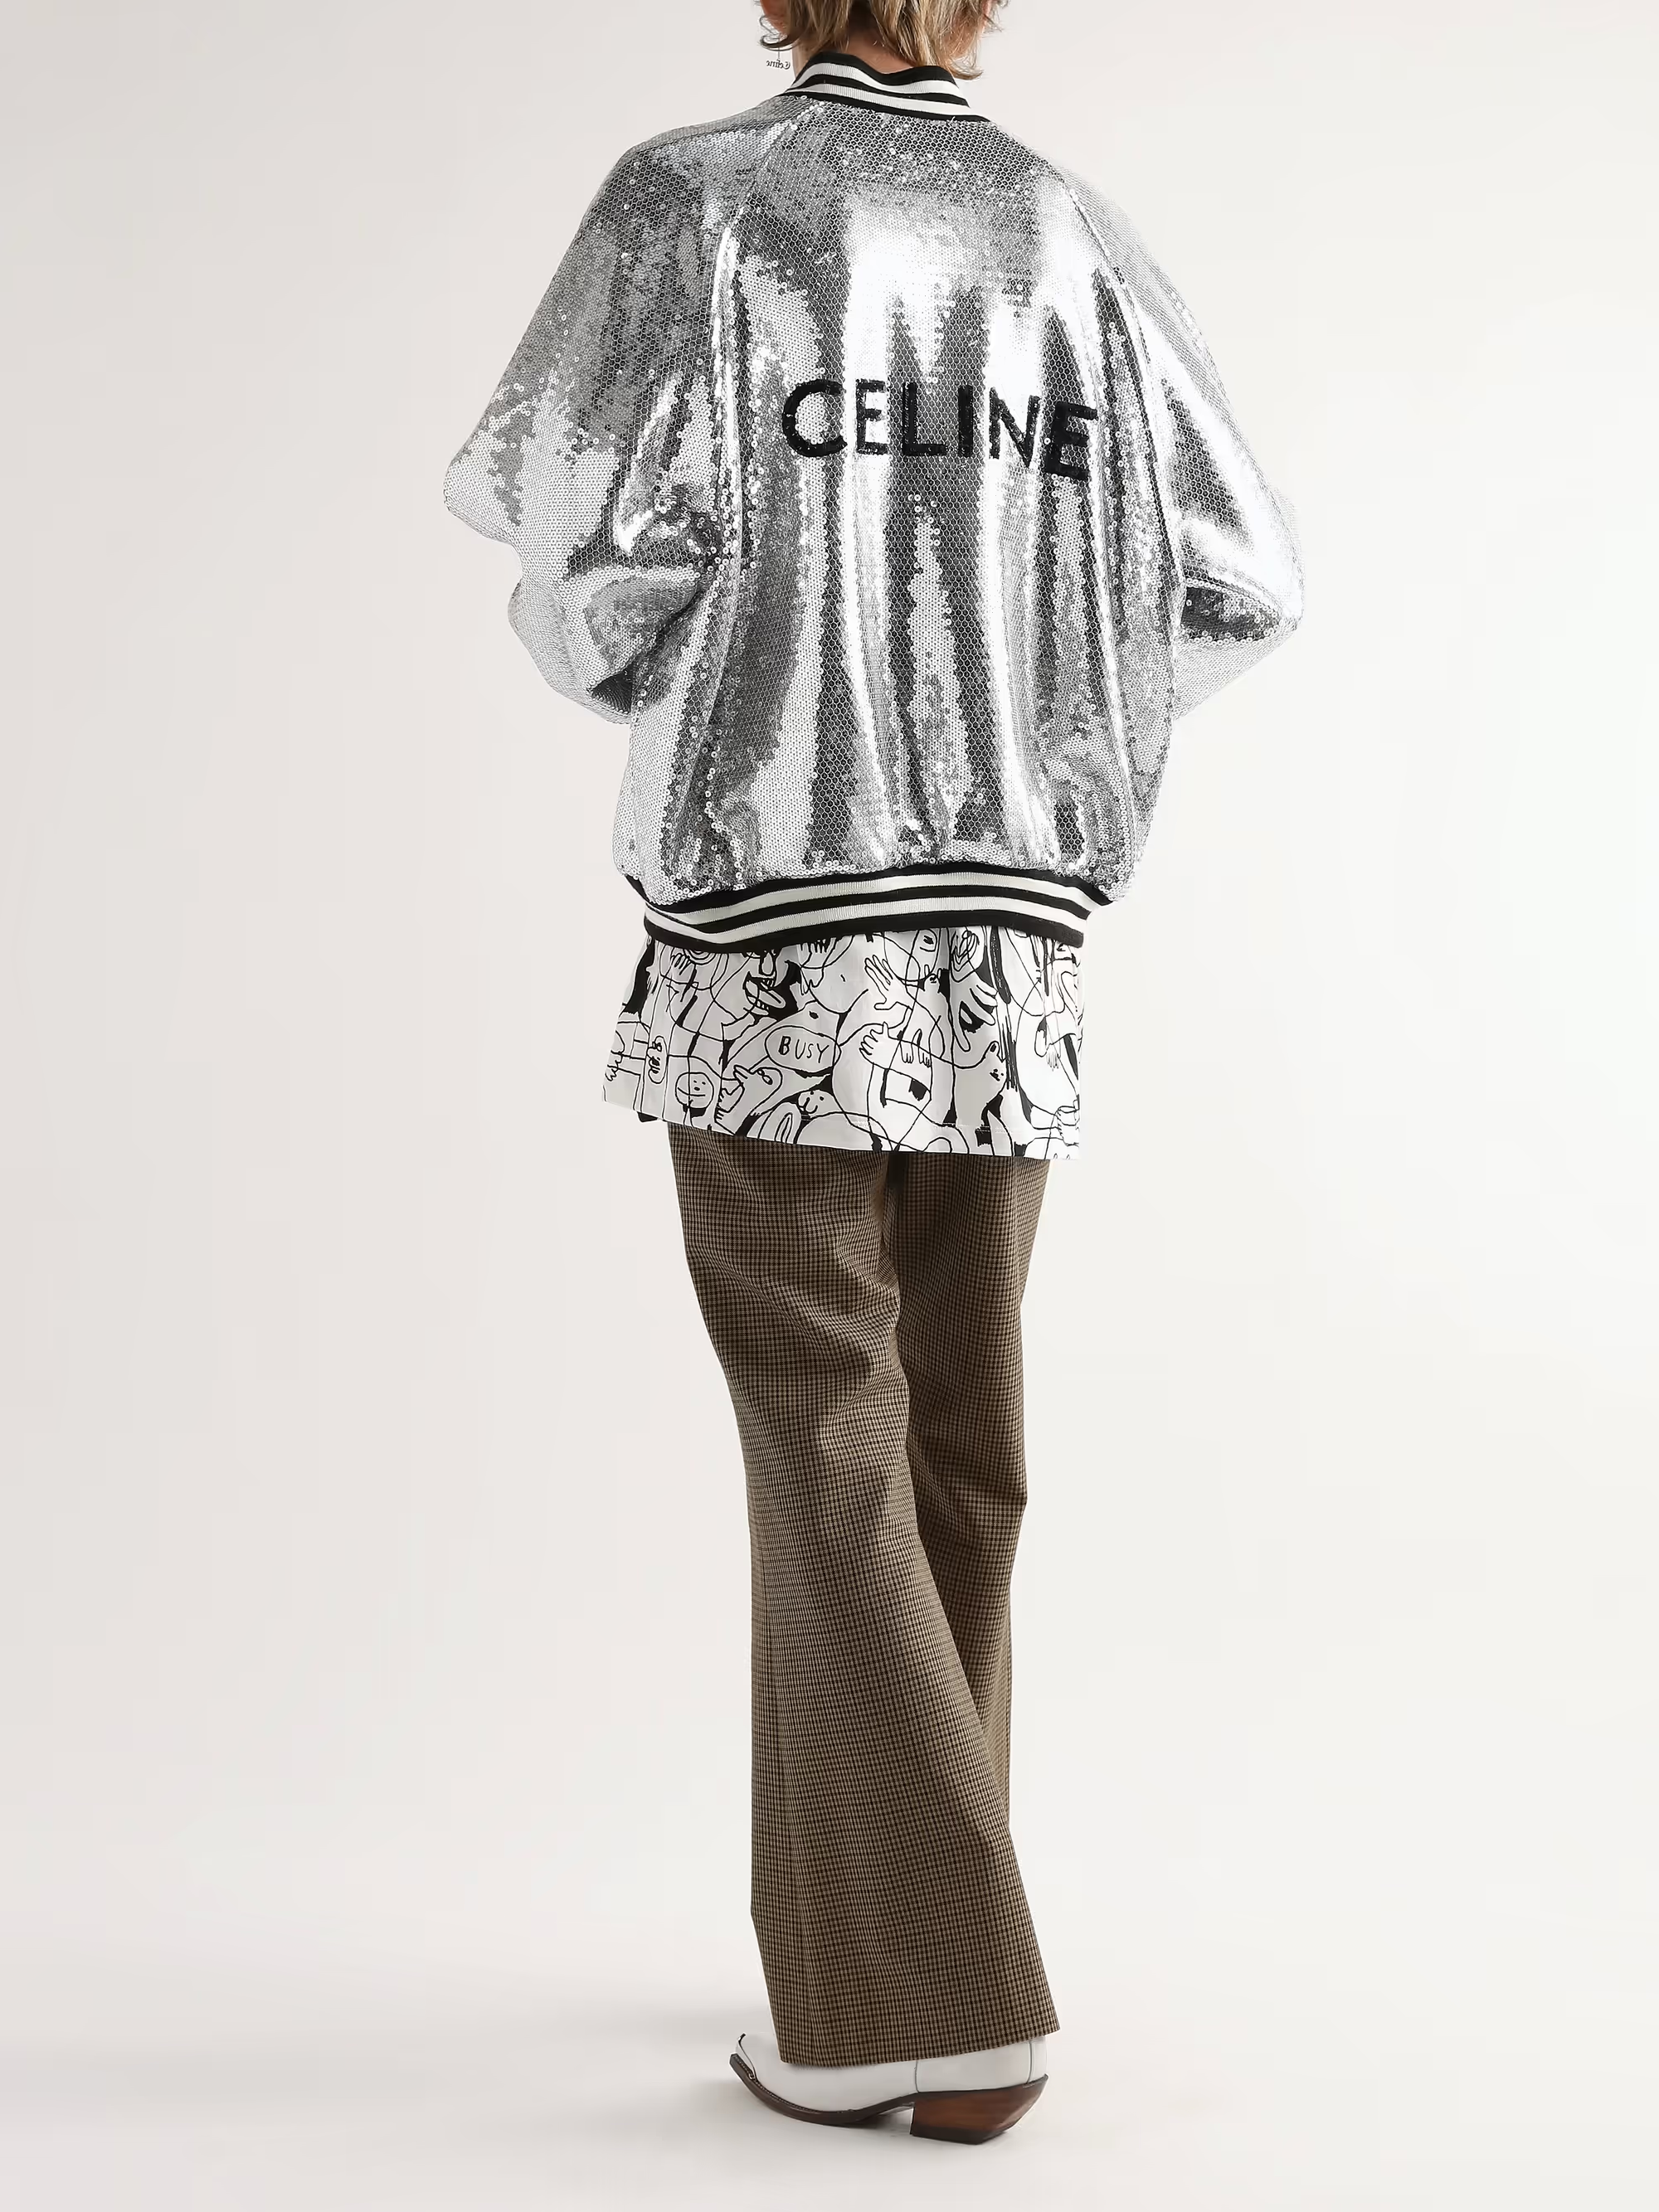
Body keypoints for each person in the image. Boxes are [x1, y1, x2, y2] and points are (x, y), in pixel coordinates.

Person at [443, 0, 1302, 2147]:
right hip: (1007, 937)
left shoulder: (697, 203)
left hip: (777, 917)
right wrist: (1041, 729)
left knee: (827, 1427)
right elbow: (1238, 578)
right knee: (954, 1431)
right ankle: (852, 1970)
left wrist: (706, 683)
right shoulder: (1076, 236)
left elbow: (567, 525)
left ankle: (939, 1997)